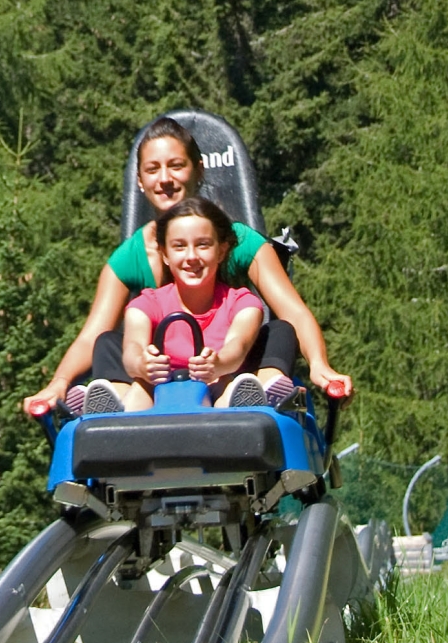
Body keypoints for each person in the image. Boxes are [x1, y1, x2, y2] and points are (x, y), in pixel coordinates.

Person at [21, 116, 353, 419]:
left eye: (176, 166)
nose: (164, 179)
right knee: (108, 341)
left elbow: (292, 311)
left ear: (198, 169)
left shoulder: (240, 241)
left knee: (280, 331)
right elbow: (92, 334)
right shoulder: (131, 256)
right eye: (153, 170)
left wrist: (320, 366)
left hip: (229, 367)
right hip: (162, 374)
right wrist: (59, 383)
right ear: (140, 181)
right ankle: (120, 404)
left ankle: (258, 393)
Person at [93, 196, 270, 412]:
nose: (191, 257)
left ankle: (242, 407)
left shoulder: (242, 303)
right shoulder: (146, 305)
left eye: (203, 245)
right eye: (179, 247)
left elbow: (239, 345)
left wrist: (218, 364)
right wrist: (142, 364)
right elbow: (133, 347)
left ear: (221, 251)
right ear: (165, 254)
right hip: (159, 391)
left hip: (216, 385)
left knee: (226, 381)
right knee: (131, 371)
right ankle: (113, 411)